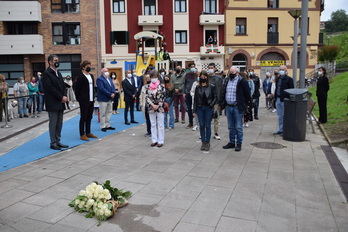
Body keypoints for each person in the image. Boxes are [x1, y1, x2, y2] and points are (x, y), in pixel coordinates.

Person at [42, 54, 69, 150]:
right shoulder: (47, 73)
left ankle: (58, 140)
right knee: (53, 123)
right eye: (55, 60)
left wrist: (65, 95)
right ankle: (53, 142)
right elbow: (50, 88)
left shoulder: (58, 73)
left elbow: (63, 85)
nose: (57, 62)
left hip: (61, 102)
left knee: (59, 123)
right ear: (50, 62)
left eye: (58, 60)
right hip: (53, 102)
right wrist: (61, 97)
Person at [220, 66, 251, 151]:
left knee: (238, 126)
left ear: (237, 73)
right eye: (230, 72)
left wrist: (244, 105)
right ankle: (232, 142)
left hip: (237, 107)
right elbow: (223, 92)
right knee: (230, 126)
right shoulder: (227, 80)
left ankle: (239, 143)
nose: (231, 74)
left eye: (232, 72)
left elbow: (247, 94)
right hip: (229, 107)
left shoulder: (242, 81)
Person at [193, 70, 218, 151]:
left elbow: (215, 97)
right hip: (200, 108)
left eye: (204, 77)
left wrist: (211, 104)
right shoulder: (197, 87)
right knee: (202, 125)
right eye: (201, 77)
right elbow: (196, 99)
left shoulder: (211, 86)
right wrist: (194, 110)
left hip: (208, 108)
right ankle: (203, 142)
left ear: (207, 77)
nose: (203, 78)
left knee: (207, 125)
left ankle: (207, 142)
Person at [74, 60, 98, 141]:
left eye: (90, 66)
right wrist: (79, 99)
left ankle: (88, 132)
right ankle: (82, 134)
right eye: (87, 66)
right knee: (83, 117)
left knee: (89, 116)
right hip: (84, 100)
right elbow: (77, 89)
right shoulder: (80, 77)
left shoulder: (91, 76)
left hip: (91, 100)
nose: (89, 67)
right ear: (83, 67)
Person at [146, 70, 166, 147]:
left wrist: (158, 105)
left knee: (160, 124)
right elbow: (147, 97)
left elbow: (163, 97)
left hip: (160, 107)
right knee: (153, 124)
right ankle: (154, 140)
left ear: (157, 77)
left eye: (155, 77)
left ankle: (160, 140)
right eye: (152, 77)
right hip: (151, 107)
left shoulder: (162, 86)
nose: (153, 79)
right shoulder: (148, 87)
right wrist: (152, 104)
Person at [273, 65, 294, 136]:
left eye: (282, 69)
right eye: (280, 69)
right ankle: (280, 129)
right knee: (280, 116)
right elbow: (277, 88)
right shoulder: (278, 79)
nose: (281, 71)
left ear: (285, 70)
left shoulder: (289, 79)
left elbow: (291, 90)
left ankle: (285, 130)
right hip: (278, 98)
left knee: (285, 115)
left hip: (284, 99)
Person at [96, 67, 116, 132]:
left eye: (107, 71)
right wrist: (109, 94)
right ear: (102, 72)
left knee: (109, 112)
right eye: (105, 71)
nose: (107, 72)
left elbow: (112, 86)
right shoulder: (99, 79)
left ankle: (108, 125)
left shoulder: (109, 79)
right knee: (103, 113)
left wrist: (113, 93)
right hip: (103, 99)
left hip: (110, 99)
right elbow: (101, 89)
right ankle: (103, 126)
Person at [207, 63, 223, 140]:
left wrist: (220, 101)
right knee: (207, 118)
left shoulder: (218, 78)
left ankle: (216, 133)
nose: (210, 69)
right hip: (207, 101)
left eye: (212, 67)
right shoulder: (206, 78)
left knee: (216, 117)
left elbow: (221, 90)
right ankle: (207, 132)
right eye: (209, 67)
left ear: (214, 69)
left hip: (216, 101)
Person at [183, 63, 196, 128]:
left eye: (194, 67)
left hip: (195, 93)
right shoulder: (187, 75)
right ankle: (191, 122)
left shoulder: (197, 75)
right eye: (191, 67)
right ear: (189, 68)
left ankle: (197, 123)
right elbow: (184, 84)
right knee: (189, 108)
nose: (193, 68)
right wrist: (184, 92)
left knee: (195, 108)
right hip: (188, 93)